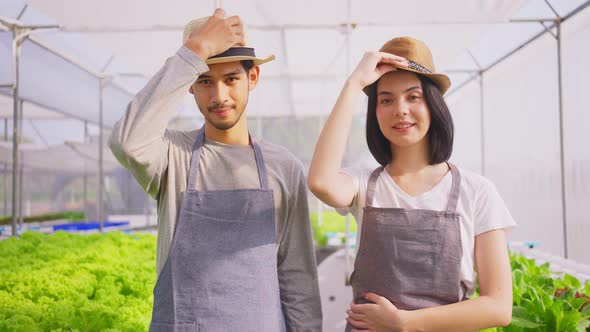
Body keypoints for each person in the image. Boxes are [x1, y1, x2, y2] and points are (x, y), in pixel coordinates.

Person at [109, 9, 322, 331]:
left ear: (253, 78)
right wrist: (193, 53)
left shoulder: (283, 166)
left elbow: (297, 275)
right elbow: (127, 142)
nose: (219, 96)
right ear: (189, 86)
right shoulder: (172, 157)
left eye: (231, 79)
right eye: (205, 80)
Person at [308, 36, 516, 331]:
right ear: (375, 112)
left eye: (413, 96)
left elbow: (498, 306)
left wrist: (404, 322)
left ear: (433, 104)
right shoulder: (365, 184)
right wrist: (354, 84)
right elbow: (320, 181)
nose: (400, 109)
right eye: (386, 99)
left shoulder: (477, 191)